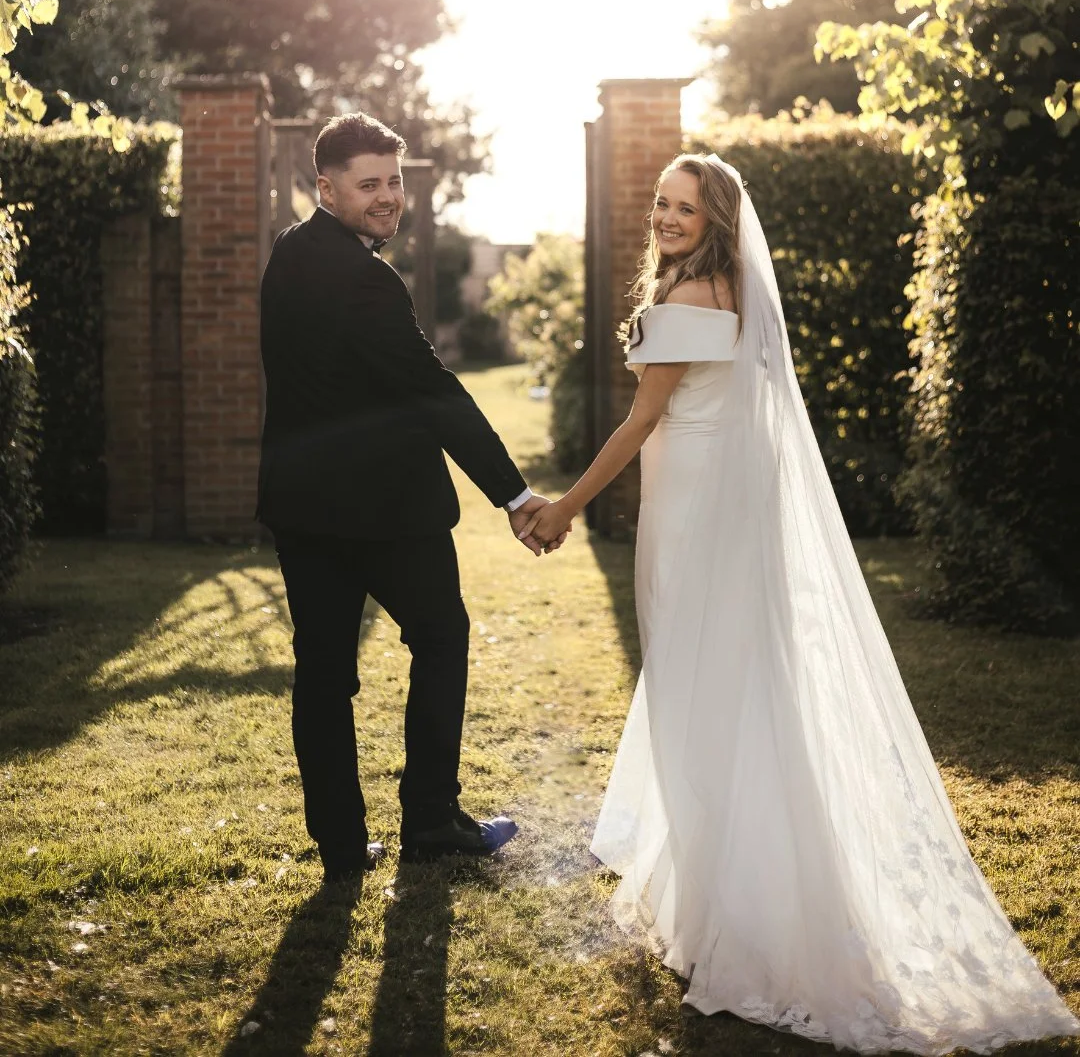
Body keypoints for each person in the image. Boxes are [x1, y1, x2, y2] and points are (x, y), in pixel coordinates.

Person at [520, 154, 1079, 1051]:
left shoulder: (687, 305)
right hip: (727, 506)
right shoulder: (738, 290)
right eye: (660, 204)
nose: (665, 218)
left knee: (697, 687)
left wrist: (563, 508)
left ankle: (734, 915)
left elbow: (639, 421)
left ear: (716, 220)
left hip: (694, 512)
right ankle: (735, 889)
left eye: (684, 209)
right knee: (739, 685)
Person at [258, 112, 566, 881]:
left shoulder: (288, 255)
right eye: (370, 186)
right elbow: (432, 391)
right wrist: (513, 492)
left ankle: (340, 846)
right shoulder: (366, 278)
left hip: (303, 506)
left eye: (394, 181)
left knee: (323, 673)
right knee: (441, 640)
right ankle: (430, 818)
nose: (389, 198)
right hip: (388, 512)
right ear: (325, 188)